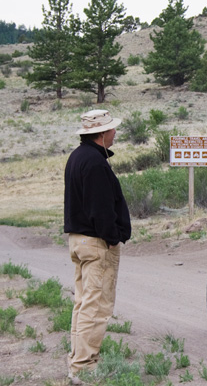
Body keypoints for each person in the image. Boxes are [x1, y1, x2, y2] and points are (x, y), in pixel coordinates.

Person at [64, 109, 131, 385]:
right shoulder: (94, 163)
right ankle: (83, 368)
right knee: (97, 306)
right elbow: (100, 208)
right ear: (102, 134)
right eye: (112, 129)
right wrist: (112, 237)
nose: (115, 133)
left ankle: (79, 361)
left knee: (83, 303)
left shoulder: (78, 157)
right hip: (95, 242)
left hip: (79, 240)